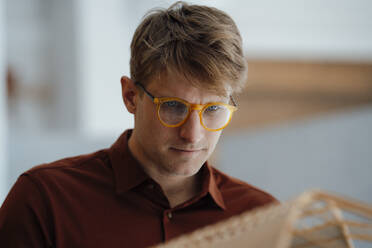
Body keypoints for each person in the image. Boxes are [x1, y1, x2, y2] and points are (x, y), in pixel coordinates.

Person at [0, 1, 277, 247]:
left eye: (213, 109)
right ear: (130, 96)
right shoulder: (44, 201)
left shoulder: (262, 218)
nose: (193, 134)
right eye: (173, 106)